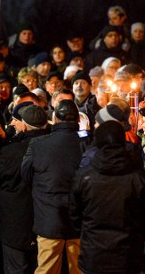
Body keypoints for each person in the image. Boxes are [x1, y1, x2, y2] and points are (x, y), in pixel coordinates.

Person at [71, 120, 145, 274]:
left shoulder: (84, 177)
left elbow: (75, 215)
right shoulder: (139, 178)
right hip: (127, 254)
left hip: (94, 253)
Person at [21, 100, 88, 274]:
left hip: (48, 217)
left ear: (55, 118)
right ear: (77, 120)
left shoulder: (38, 144)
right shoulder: (87, 145)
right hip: (79, 219)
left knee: (46, 268)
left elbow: (26, 174)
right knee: (79, 269)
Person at [0, 104, 49, 274]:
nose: (12, 124)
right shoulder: (50, 148)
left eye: (15, 120)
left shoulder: (12, 151)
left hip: (15, 223)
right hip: (45, 221)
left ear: (24, 124)